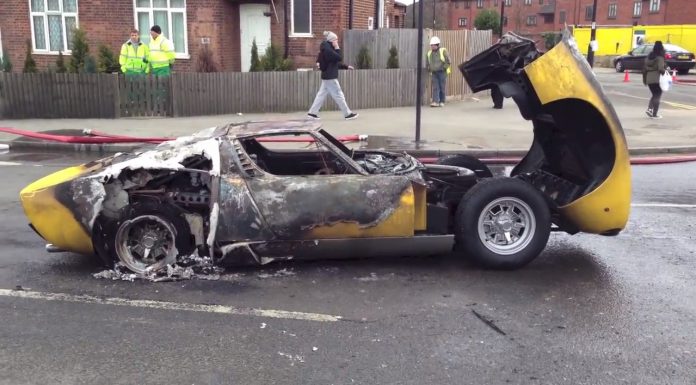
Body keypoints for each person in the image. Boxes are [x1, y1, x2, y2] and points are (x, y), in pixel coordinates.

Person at [307, 31, 358, 120]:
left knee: (321, 95)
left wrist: (346, 66)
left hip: (327, 76)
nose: (337, 41)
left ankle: (312, 113)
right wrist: (337, 48)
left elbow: (334, 63)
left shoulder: (327, 49)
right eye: (336, 40)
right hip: (330, 77)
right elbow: (339, 57)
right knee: (339, 95)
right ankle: (347, 114)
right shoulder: (328, 50)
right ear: (332, 40)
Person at [642, 41, 666, 119]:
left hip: (649, 79)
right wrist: (665, 72)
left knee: (654, 95)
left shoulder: (649, 57)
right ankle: (654, 114)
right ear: (661, 48)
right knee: (657, 95)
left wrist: (645, 80)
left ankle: (650, 109)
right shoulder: (660, 58)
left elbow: (644, 69)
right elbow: (660, 69)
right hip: (657, 79)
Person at [426, 36, 451, 107]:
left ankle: (442, 101)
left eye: (433, 45)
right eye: (431, 45)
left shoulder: (443, 51)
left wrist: (444, 68)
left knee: (442, 86)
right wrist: (429, 68)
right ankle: (435, 102)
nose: (432, 46)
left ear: (437, 45)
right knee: (435, 87)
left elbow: (448, 61)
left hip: (442, 72)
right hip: (434, 72)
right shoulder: (429, 53)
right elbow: (427, 62)